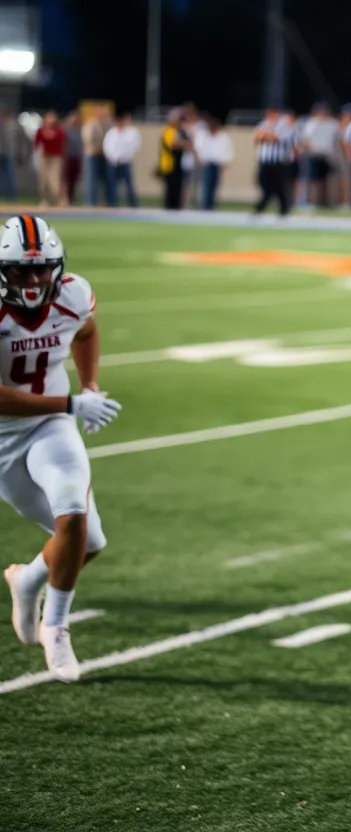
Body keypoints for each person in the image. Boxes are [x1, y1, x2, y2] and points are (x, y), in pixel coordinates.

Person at [0, 215, 123, 682]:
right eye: (19, 271)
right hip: (3, 437)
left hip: (51, 425)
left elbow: (87, 332)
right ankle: (28, 576)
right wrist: (74, 400)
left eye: (41, 269)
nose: (33, 281)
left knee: (72, 514)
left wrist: (90, 384)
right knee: (87, 542)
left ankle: (55, 626)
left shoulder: (72, 294)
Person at [103, 112, 140, 208]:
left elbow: (135, 145)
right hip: (113, 162)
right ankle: (113, 204)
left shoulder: (131, 132)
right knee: (112, 185)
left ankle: (133, 205)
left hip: (125, 162)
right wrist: (111, 157)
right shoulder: (111, 133)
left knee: (129, 185)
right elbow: (107, 146)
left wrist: (127, 156)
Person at [158, 109, 192, 210]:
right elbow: (171, 145)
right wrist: (183, 144)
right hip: (170, 163)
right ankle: (169, 207)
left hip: (177, 164)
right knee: (171, 187)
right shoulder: (169, 130)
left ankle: (176, 207)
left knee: (177, 187)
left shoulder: (180, 131)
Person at [32, 112, 65, 208]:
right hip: (44, 157)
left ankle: (57, 199)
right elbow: (36, 144)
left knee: (55, 180)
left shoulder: (59, 131)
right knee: (43, 180)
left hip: (55, 158)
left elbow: (59, 140)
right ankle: (45, 200)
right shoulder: (40, 130)